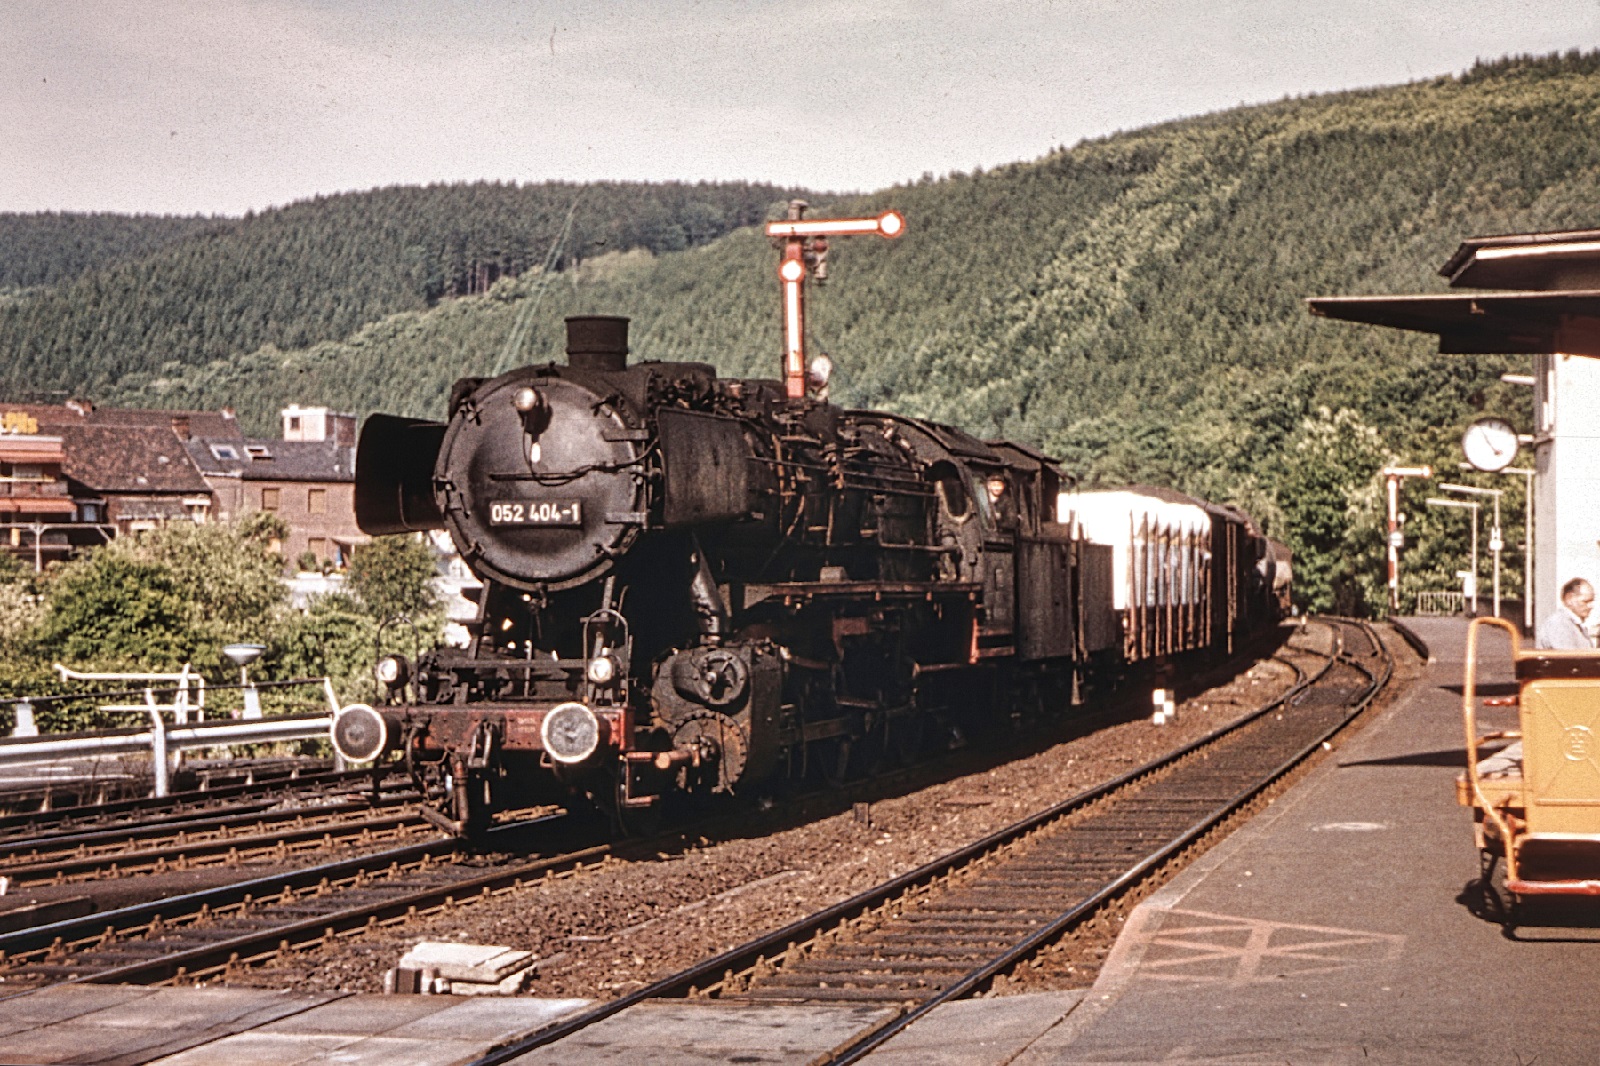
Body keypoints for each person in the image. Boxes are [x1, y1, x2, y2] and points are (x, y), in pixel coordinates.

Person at [1535, 577, 1596, 650]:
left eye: (1591, 601)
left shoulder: (1575, 625)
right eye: (1585, 601)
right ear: (1569, 599)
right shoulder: (1558, 624)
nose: (1590, 606)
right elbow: (1567, 658)